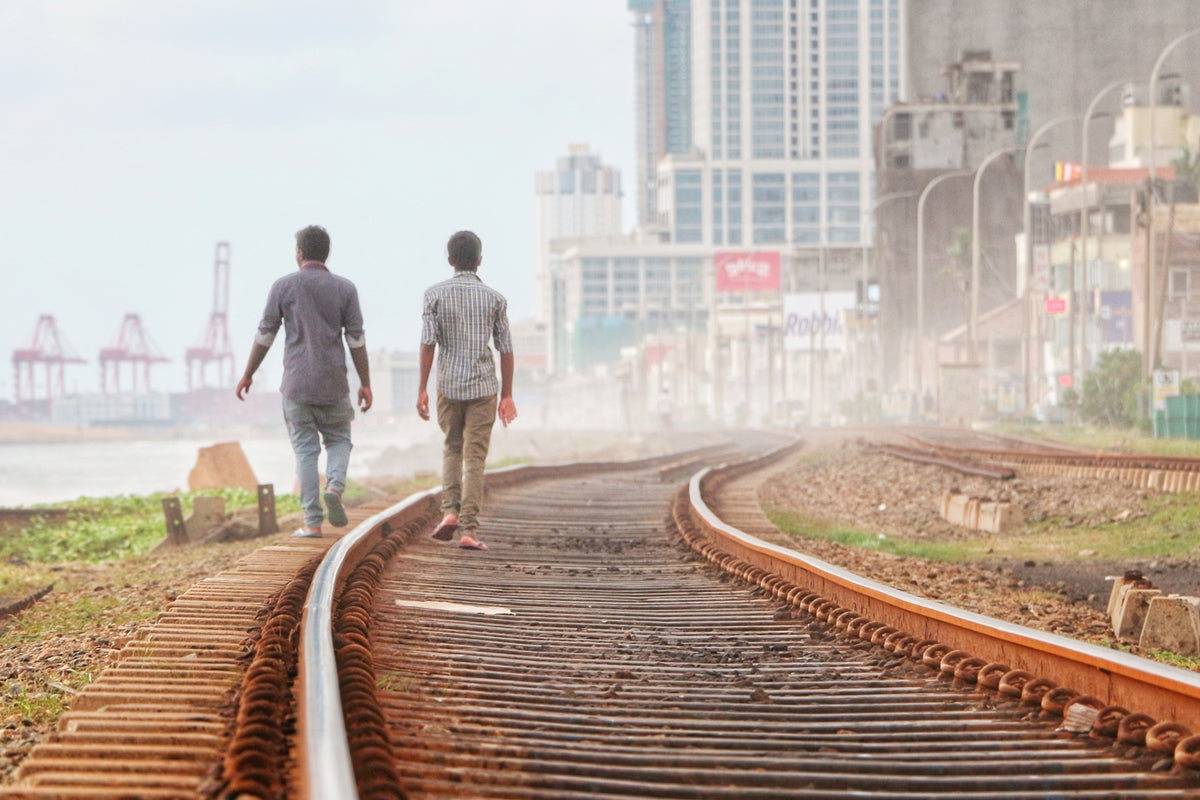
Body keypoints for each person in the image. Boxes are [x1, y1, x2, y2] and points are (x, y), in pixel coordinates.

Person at [235, 224, 373, 538]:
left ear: (299, 253)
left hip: (296, 385)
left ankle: (312, 523)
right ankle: (335, 488)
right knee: (339, 441)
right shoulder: (345, 289)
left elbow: (265, 335)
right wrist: (365, 382)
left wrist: (248, 374)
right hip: (334, 383)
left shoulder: (283, 287)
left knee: (306, 452)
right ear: (326, 253)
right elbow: (356, 340)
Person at [417, 230, 517, 551]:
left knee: (452, 447)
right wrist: (508, 395)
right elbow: (506, 349)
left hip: (448, 385)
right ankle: (469, 530)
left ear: (450, 261)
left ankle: (449, 511)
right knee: (474, 457)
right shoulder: (495, 299)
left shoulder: (433, 295)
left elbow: (428, 343)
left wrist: (422, 388)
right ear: (479, 261)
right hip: (484, 386)